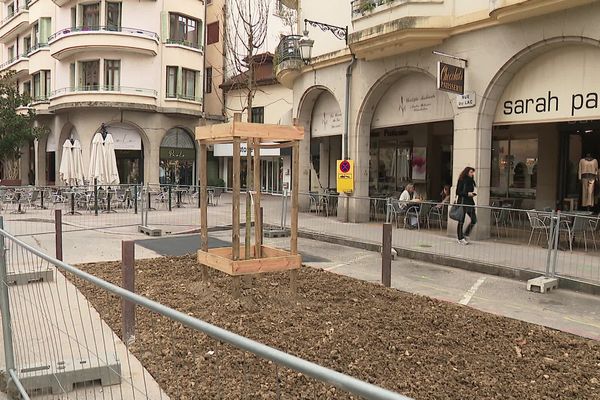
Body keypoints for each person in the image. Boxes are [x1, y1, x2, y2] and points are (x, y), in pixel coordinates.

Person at [456, 167, 477, 245]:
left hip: (470, 202)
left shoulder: (471, 181)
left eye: (473, 172)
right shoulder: (462, 180)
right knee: (461, 220)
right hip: (463, 202)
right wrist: (467, 194)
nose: (472, 174)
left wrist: (471, 194)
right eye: (471, 172)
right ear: (467, 172)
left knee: (474, 219)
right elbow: (458, 192)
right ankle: (460, 238)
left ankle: (465, 234)